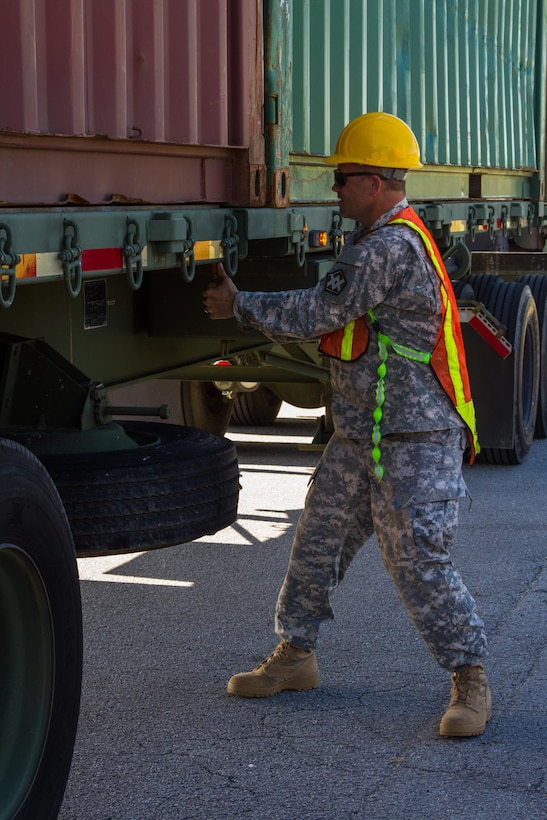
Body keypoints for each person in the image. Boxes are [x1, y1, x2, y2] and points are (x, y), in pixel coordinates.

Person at [203, 112, 491, 738]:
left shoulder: (388, 247)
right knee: (317, 543)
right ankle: (296, 656)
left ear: (378, 182)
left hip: (414, 439)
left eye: (343, 177)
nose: (334, 189)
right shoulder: (382, 238)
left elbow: (318, 310)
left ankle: (470, 677)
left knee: (418, 558)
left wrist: (238, 305)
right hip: (363, 433)